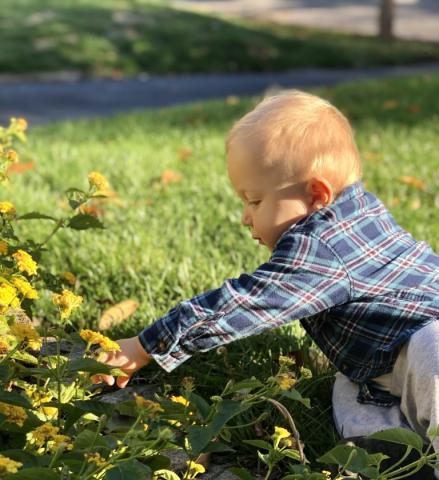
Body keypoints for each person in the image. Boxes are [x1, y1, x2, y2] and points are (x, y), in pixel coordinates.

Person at [95, 91, 439, 465]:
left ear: (316, 194)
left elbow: (244, 303)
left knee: (429, 349)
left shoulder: (321, 249)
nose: (245, 217)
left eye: (255, 201)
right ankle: (394, 461)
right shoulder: (359, 209)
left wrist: (145, 346)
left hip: (425, 341)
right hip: (383, 363)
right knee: (351, 395)